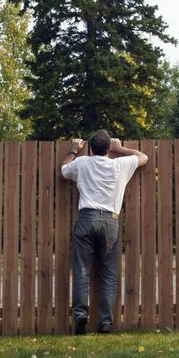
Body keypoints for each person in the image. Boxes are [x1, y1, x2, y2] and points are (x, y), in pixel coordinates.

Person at [59, 129, 148, 334]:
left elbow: (63, 170)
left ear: (90, 147)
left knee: (82, 271)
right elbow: (144, 157)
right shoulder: (120, 165)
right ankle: (105, 323)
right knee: (109, 274)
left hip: (86, 218)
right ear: (109, 148)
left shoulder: (82, 163)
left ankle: (81, 315)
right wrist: (121, 148)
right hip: (110, 221)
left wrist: (73, 151)